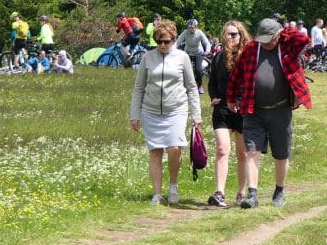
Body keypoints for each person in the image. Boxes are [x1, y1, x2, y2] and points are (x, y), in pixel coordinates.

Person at [227, 18, 311, 209]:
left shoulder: (287, 47)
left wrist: (285, 31)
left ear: (277, 35)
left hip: (280, 110)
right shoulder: (251, 50)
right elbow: (236, 75)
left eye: (269, 38)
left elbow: (304, 40)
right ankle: (252, 194)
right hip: (253, 110)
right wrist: (231, 98)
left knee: (281, 154)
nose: (266, 43)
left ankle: (279, 191)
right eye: (262, 39)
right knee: (252, 151)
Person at [129, 19, 202, 205]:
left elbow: (192, 87)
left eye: (167, 41)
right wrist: (134, 115)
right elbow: (139, 87)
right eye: (159, 41)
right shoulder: (148, 57)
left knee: (175, 148)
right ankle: (157, 193)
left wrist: (196, 114)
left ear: (173, 40)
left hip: (176, 109)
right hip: (151, 110)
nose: (162, 45)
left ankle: (173, 185)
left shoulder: (182, 58)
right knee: (155, 151)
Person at [206, 21, 250, 208]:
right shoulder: (218, 58)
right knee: (223, 149)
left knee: (243, 154)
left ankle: (241, 192)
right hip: (223, 108)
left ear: (241, 36)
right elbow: (212, 82)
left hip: (242, 108)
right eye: (227, 34)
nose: (230, 37)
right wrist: (214, 97)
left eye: (234, 34)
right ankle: (219, 192)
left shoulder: (248, 57)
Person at [176, 19, 211, 95]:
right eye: (189, 27)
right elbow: (178, 42)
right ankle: (184, 86)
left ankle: (199, 86)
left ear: (196, 27)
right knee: (184, 69)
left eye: (193, 27)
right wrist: (173, 49)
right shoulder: (185, 33)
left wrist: (207, 50)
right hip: (187, 53)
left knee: (198, 70)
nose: (191, 29)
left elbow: (206, 43)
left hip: (198, 53)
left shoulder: (199, 33)